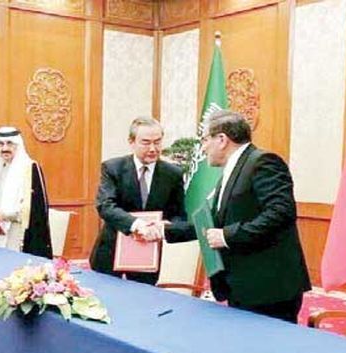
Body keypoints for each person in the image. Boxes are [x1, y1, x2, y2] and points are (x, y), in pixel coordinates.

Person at [201, 110, 310, 323]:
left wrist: (228, 236)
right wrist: (163, 229)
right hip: (242, 285)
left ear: (222, 139)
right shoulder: (232, 170)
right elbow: (214, 222)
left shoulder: (263, 162)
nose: (203, 148)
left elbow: (280, 212)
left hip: (269, 289)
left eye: (205, 140)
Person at [89, 116, 192, 284]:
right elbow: (105, 206)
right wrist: (137, 225)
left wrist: (166, 226)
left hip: (149, 254)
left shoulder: (173, 173)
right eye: (146, 142)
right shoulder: (113, 168)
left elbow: (179, 215)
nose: (153, 148)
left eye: (157, 142)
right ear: (131, 142)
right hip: (111, 252)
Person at [0, 126, 52, 258]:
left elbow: (35, 209)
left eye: (9, 143)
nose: (5, 148)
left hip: (18, 232)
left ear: (18, 145)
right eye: (0, 144)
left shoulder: (30, 168)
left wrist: (6, 216)